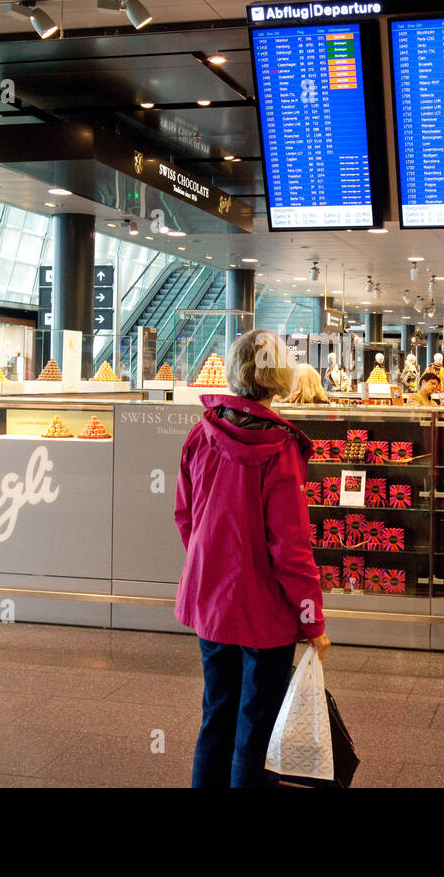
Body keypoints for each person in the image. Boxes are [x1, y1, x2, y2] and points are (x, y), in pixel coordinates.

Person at [174, 329, 328, 788]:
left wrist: (213, 567)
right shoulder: (281, 448)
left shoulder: (201, 433)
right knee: (256, 726)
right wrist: (312, 618)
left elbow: (186, 515)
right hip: (265, 613)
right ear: (280, 374)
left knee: (216, 714)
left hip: (213, 605)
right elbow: (291, 547)